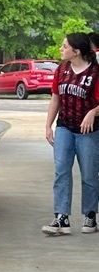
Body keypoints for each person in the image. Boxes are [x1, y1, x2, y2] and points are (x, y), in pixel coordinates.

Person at [43, 33, 99, 235]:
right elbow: (55, 99)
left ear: (76, 51)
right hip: (65, 126)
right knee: (61, 171)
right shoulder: (62, 70)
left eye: (64, 46)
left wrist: (93, 112)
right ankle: (61, 217)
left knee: (89, 174)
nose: (61, 49)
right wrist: (49, 126)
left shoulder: (95, 73)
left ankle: (90, 216)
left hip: (89, 131)